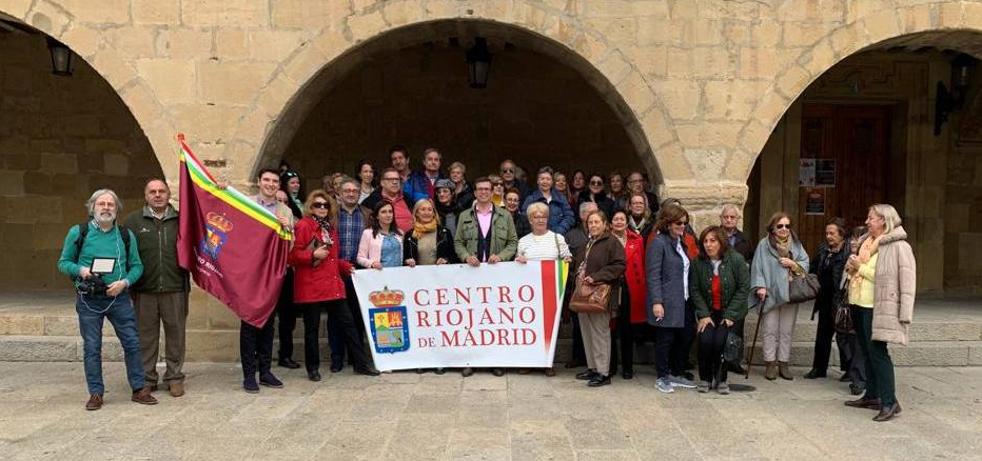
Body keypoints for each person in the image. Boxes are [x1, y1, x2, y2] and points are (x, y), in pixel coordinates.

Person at [58, 189, 156, 410]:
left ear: (116, 209)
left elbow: (137, 266)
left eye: (110, 205)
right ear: (92, 207)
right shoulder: (78, 232)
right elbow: (63, 263)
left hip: (118, 298)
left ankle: (139, 388)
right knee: (92, 347)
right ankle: (95, 393)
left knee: (132, 343)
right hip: (89, 299)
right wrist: (81, 270)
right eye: (101, 204)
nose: (106, 208)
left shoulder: (124, 235)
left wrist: (125, 283)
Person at [289, 190, 379, 381]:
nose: (322, 208)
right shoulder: (304, 225)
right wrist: (312, 255)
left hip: (331, 284)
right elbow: (292, 256)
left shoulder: (329, 228)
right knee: (311, 329)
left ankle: (360, 363)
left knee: (349, 324)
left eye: (325, 205)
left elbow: (332, 258)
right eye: (317, 205)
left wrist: (346, 266)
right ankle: (312, 368)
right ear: (310, 207)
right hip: (311, 286)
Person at [844, 205, 916, 422]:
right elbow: (855, 267)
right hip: (859, 302)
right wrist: (852, 264)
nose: (867, 221)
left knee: (878, 353)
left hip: (878, 307)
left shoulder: (898, 246)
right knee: (865, 351)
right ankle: (873, 395)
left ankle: (889, 401)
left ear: (884, 221)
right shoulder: (867, 242)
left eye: (871, 218)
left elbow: (896, 279)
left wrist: (860, 267)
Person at [122, 179, 190, 398]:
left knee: (176, 335)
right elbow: (124, 254)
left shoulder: (182, 219)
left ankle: (174, 377)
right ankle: (147, 378)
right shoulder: (133, 221)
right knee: (146, 337)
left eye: (162, 191)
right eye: (153, 192)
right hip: (144, 289)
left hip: (175, 286)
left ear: (169, 194)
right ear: (146, 195)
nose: (158, 195)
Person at [454, 176, 518, 377]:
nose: (483, 192)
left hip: (495, 275)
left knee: (495, 320)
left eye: (487, 189)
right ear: (474, 193)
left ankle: (495, 361)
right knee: (472, 319)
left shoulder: (504, 215)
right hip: (471, 275)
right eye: (479, 189)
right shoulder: (465, 215)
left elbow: (513, 242)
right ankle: (470, 360)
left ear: (493, 192)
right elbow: (458, 243)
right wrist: (466, 257)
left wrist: (501, 256)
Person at [241, 168, 294, 393]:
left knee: (268, 324)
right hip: (251, 274)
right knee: (249, 324)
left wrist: (286, 228)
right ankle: (248, 375)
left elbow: (289, 243)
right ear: (259, 182)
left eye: (274, 181)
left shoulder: (285, 210)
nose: (271, 184)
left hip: (272, 274)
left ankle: (265, 371)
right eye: (267, 180)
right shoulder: (247, 203)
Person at [689, 226, 750, 395]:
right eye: (705, 241)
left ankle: (721, 378)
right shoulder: (697, 263)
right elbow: (694, 289)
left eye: (713, 241)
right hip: (709, 312)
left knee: (721, 342)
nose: (708, 245)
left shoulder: (736, 260)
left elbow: (744, 288)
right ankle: (705, 378)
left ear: (721, 242)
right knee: (706, 340)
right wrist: (703, 314)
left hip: (730, 312)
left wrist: (730, 315)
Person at [515, 202, 574, 377]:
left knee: (550, 327)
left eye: (543, 216)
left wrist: (567, 259)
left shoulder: (557, 238)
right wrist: (520, 261)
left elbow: (566, 258)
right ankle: (530, 361)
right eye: (536, 217)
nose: (540, 219)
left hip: (551, 292)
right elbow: (517, 264)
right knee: (530, 327)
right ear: (530, 220)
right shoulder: (523, 241)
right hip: (529, 294)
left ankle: (548, 363)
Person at [749, 212, 809, 381]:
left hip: (790, 293)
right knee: (769, 329)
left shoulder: (796, 244)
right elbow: (757, 266)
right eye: (780, 226)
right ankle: (770, 363)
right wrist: (760, 286)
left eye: (787, 226)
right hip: (770, 293)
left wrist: (793, 264)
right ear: (773, 228)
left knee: (786, 330)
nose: (784, 229)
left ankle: (784, 363)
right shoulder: (764, 244)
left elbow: (805, 263)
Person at [646, 204, 697, 394]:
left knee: (684, 337)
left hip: (683, 299)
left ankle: (676, 372)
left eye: (685, 223)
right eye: (678, 223)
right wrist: (657, 302)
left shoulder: (681, 243)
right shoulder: (659, 243)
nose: (683, 226)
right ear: (668, 223)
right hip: (667, 299)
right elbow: (653, 274)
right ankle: (662, 375)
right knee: (664, 339)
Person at [573, 210, 626, 387]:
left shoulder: (612, 242)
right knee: (587, 332)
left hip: (601, 295)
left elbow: (619, 265)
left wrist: (596, 277)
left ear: (605, 224)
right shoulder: (587, 243)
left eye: (597, 222)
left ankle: (603, 372)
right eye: (590, 222)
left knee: (600, 334)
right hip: (583, 295)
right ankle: (593, 367)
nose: (593, 225)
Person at [404, 198, 457, 374]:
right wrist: (408, 261)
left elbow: (453, 256)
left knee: (439, 323)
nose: (427, 212)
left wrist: (447, 260)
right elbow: (405, 259)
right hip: (418, 286)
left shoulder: (444, 232)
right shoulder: (410, 234)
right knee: (420, 324)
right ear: (416, 213)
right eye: (423, 210)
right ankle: (422, 359)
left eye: (430, 209)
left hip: (439, 285)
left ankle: (440, 359)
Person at [332, 178, 372, 373]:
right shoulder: (332, 215)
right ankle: (336, 357)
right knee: (336, 316)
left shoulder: (367, 215)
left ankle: (356, 358)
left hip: (359, 271)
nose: (351, 193)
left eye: (355, 191)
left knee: (358, 315)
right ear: (339, 193)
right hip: (335, 270)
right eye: (347, 190)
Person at [805, 218, 851, 380]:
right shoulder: (823, 249)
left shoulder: (848, 251)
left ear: (841, 234)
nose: (829, 236)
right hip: (824, 298)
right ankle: (819, 368)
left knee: (843, 336)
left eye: (832, 233)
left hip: (840, 300)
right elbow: (813, 267)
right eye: (827, 233)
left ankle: (849, 370)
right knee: (822, 334)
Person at [607, 210, 647, 380]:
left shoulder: (637, 240)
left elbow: (643, 264)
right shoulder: (605, 240)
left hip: (631, 288)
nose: (618, 222)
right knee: (609, 328)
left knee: (627, 330)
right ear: (610, 222)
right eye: (615, 219)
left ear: (626, 221)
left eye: (622, 219)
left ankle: (628, 367)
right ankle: (611, 365)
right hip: (611, 288)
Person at [563, 201, 598, 369]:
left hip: (598, 285)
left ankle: (597, 360)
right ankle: (578, 357)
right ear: (582, 215)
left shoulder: (604, 235)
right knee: (578, 324)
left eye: (596, 213)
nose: (593, 216)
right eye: (590, 213)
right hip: (577, 285)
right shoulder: (571, 235)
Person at [275, 170, 303, 370]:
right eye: (279, 201)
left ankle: (286, 354)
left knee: (288, 316)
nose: (283, 205)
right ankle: (259, 356)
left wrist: (289, 228)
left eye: (286, 201)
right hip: (266, 274)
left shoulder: (291, 220)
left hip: (287, 271)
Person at [842, 226, 869, 395]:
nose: (854, 241)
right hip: (850, 303)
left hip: (865, 304)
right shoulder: (851, 257)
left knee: (860, 343)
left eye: (858, 238)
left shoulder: (868, 258)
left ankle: (859, 379)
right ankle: (854, 373)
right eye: (852, 237)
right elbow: (842, 282)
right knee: (850, 340)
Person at [522, 166, 575, 236]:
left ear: (552, 181)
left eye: (548, 179)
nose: (545, 181)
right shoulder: (531, 199)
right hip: (537, 238)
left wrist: (559, 231)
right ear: (538, 181)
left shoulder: (561, 198)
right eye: (542, 179)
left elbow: (569, 217)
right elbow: (524, 219)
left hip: (557, 237)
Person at [362, 167, 414, 234]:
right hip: (383, 241)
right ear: (382, 183)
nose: (395, 182)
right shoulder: (371, 201)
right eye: (390, 179)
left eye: (397, 179)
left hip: (409, 241)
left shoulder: (407, 198)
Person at [357, 201, 405, 270]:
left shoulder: (400, 233)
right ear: (377, 216)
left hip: (397, 275)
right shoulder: (368, 233)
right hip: (378, 274)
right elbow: (360, 258)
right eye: (383, 212)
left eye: (390, 211)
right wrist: (372, 263)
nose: (388, 215)